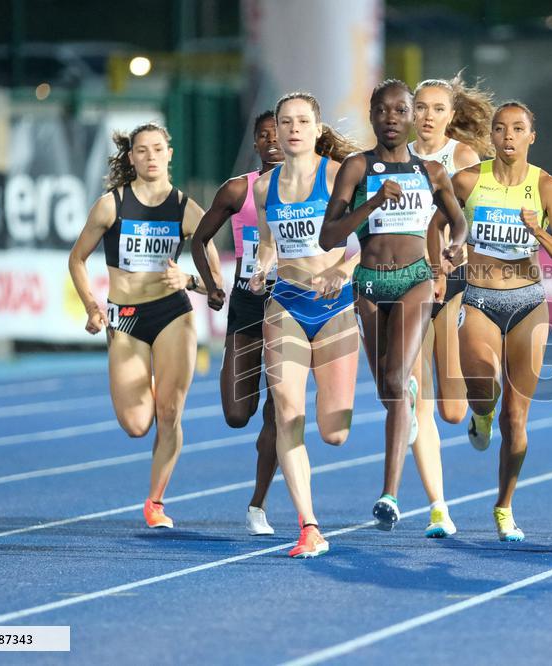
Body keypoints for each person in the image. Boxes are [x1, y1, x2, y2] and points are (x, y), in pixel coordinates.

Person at [320, 79, 468, 532]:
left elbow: (458, 223)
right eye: (382, 111)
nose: (391, 118)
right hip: (368, 283)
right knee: (389, 393)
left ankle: (389, 495)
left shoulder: (431, 172)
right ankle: (403, 412)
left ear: (409, 118)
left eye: (400, 111)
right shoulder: (356, 168)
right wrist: (372, 205)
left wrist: (453, 248)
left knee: (396, 377)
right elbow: (329, 236)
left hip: (414, 282)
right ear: (371, 116)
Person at [69, 122, 218, 529]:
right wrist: (91, 306)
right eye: (141, 150)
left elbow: (216, 285)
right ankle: (155, 382)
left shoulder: (188, 210)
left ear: (170, 153)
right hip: (127, 319)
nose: (150, 156)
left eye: (157, 149)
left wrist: (188, 281)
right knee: (137, 425)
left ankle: (155, 502)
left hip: (172, 314)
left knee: (170, 413)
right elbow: (76, 260)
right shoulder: (110, 205)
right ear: (131, 157)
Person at [453, 101, 552, 541]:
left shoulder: (547, 187)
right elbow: (436, 228)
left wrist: (539, 232)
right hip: (480, 298)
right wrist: (445, 255)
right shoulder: (469, 182)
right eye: (501, 129)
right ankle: (480, 414)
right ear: (491, 136)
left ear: (532, 136)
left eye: (518, 128)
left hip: (529, 302)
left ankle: (504, 505)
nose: (508, 136)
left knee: (518, 420)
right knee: (484, 389)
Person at [250, 92, 363, 558]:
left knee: (334, 431)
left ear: (317, 129)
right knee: (287, 413)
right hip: (286, 305)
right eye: (285, 122)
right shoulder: (263, 188)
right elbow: (267, 244)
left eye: (302, 121)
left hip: (335, 307)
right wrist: (262, 266)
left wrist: (346, 267)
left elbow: (379, 242)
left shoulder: (338, 176)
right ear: (275, 130)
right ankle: (309, 526)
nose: (293, 129)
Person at [407, 74, 494, 537]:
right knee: (415, 394)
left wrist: (449, 262)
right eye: (420, 107)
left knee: (453, 411)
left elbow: (472, 223)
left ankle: (482, 413)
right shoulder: (394, 159)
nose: (427, 117)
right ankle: (439, 507)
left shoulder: (462, 158)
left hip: (452, 280)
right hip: (404, 284)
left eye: (437, 109)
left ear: (451, 115)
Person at [191, 111, 282, 536]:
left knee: (279, 409)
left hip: (292, 303)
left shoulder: (319, 184)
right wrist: (211, 285)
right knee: (235, 412)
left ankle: (258, 504)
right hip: (248, 302)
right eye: (262, 136)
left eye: (278, 133)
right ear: (256, 144)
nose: (272, 141)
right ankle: (264, 409)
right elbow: (198, 238)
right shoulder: (237, 189)